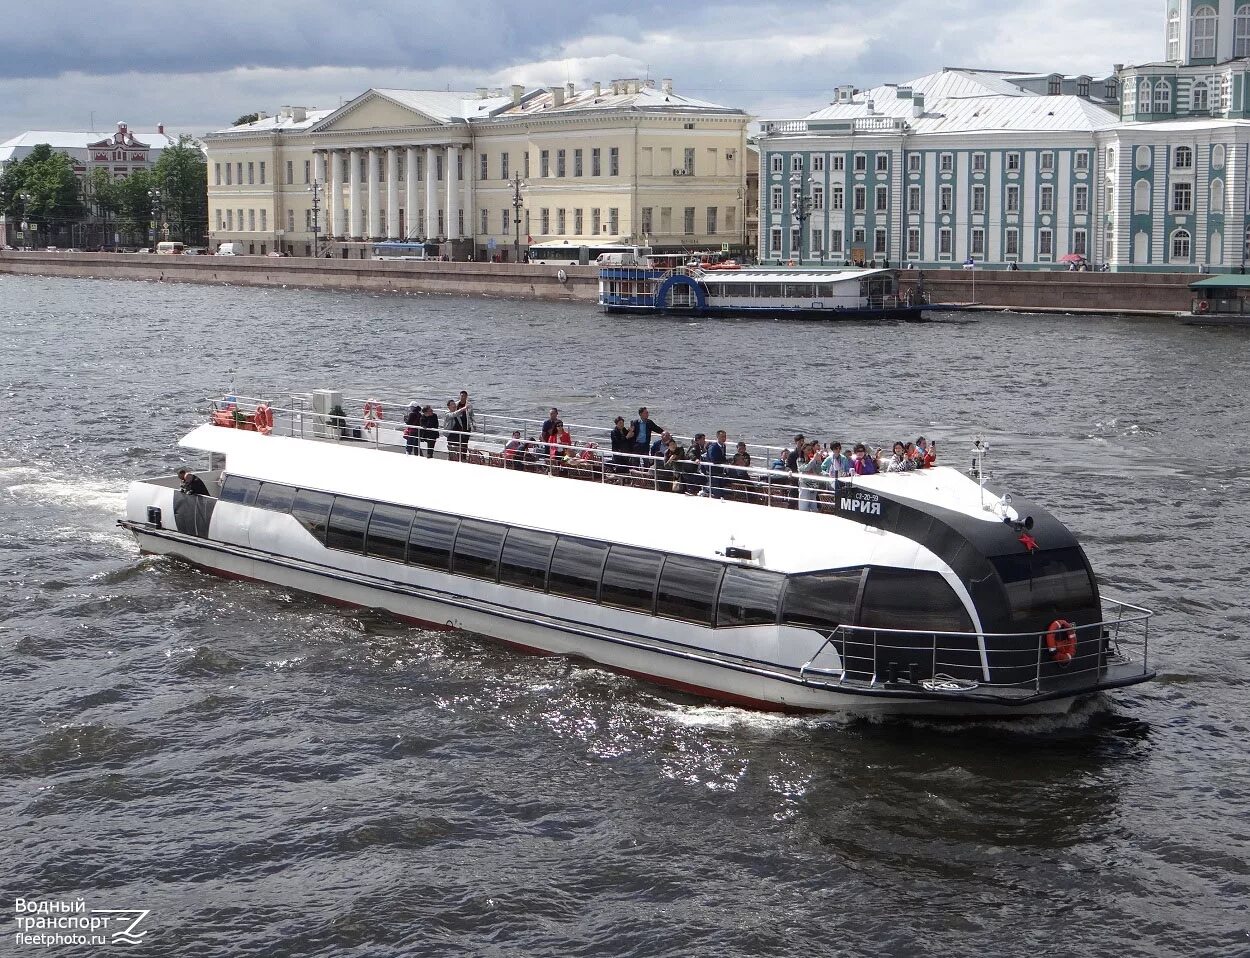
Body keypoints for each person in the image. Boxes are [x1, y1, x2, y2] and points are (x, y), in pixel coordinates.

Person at [705, 429, 728, 498]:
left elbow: (723, 456)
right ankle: (706, 491)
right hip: (713, 471)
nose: (724, 438)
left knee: (721, 486)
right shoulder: (713, 447)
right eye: (722, 437)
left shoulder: (723, 446)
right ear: (717, 437)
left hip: (720, 470)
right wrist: (724, 461)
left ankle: (708, 491)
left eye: (725, 437)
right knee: (716, 488)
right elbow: (714, 460)